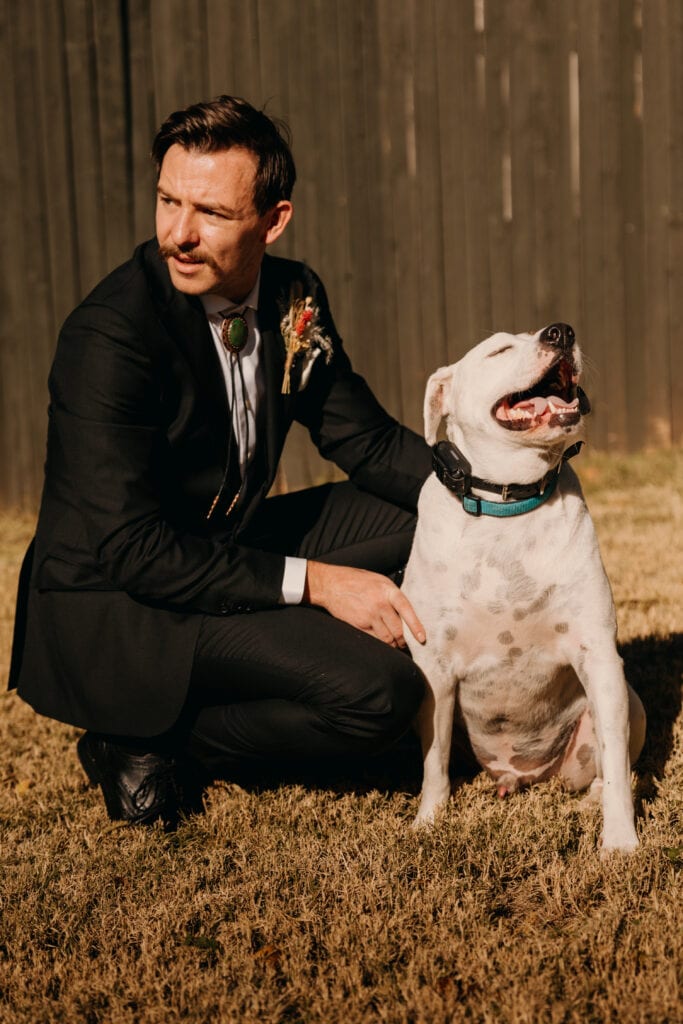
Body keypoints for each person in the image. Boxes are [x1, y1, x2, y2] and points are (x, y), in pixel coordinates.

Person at [9, 95, 433, 828]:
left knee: (426, 508)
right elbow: (135, 552)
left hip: (219, 546)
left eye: (210, 212)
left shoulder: (292, 296)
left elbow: (365, 442)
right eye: (167, 201)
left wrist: (498, 489)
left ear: (273, 221)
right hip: (124, 604)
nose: (179, 233)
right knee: (382, 695)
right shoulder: (109, 338)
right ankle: (155, 736)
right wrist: (319, 585)